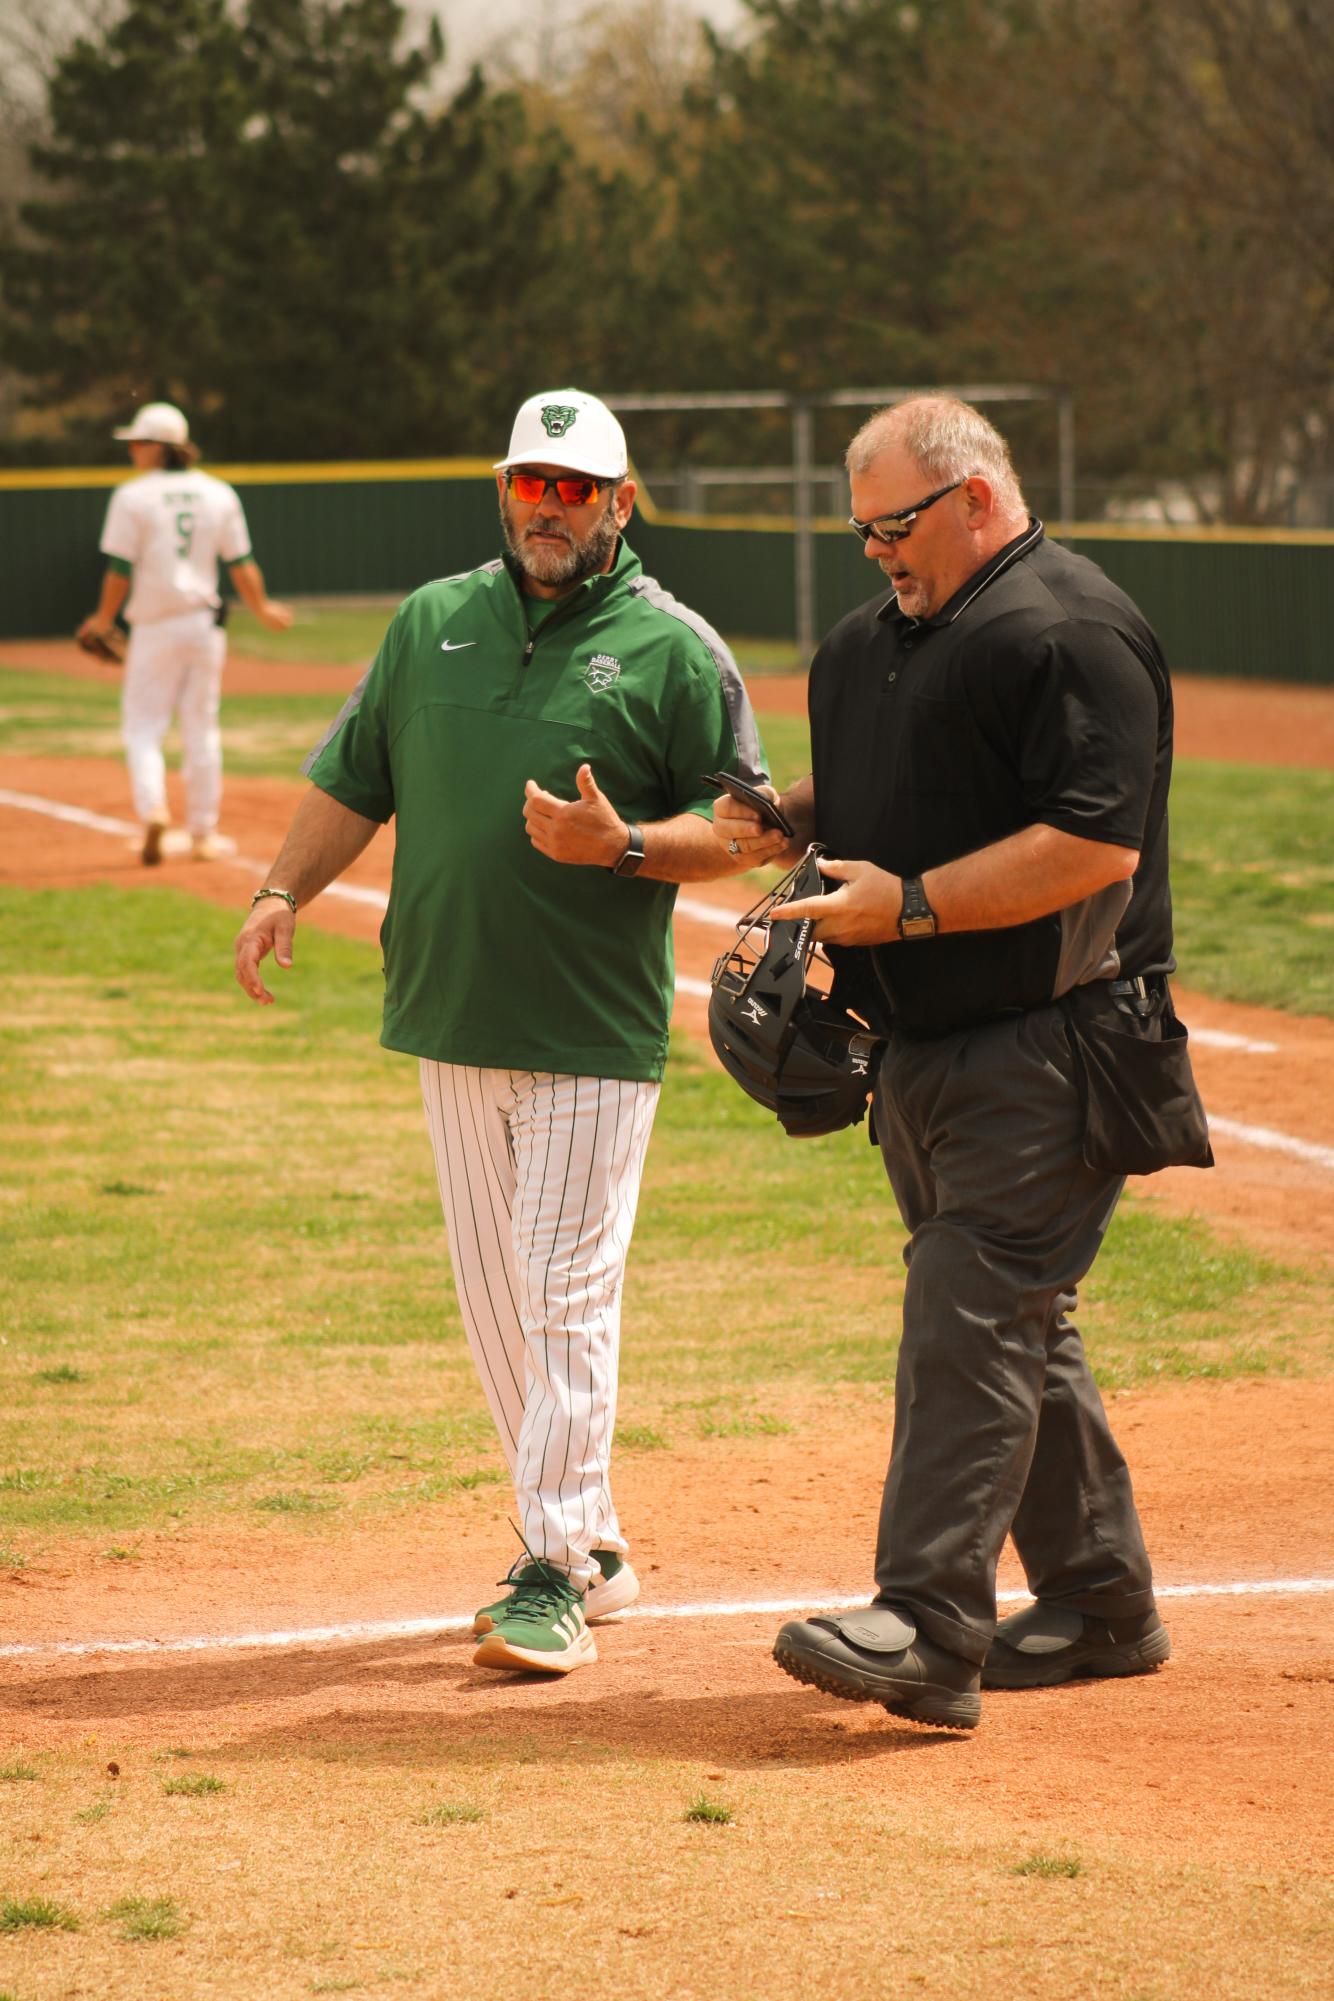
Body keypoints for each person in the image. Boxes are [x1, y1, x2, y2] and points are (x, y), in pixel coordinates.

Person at [233, 387, 769, 1678]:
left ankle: (548, 1572)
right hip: (449, 1010)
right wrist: (278, 888)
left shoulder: (674, 648)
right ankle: (591, 1543)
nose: (548, 505)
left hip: (590, 1025)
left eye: (575, 487)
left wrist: (627, 845)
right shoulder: (432, 622)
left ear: (621, 502)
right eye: (530, 482)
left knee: (566, 1297)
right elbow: (352, 777)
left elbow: (754, 825)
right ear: (503, 491)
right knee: (499, 1309)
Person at [713, 394, 1210, 1731]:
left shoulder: (1067, 629)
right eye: (860, 525)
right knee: (1014, 1319)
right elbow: (894, 784)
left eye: (894, 523)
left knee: (970, 1303)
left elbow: (1091, 846)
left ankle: (928, 1621)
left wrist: (912, 904)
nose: (876, 549)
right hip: (924, 1050)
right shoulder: (878, 642)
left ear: (975, 497)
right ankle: (1101, 1600)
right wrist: (776, 821)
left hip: (1059, 1040)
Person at [79, 401, 292, 864]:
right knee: (201, 729)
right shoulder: (218, 493)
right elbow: (240, 563)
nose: (132, 450)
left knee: (143, 727)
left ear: (158, 447)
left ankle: (154, 808)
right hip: (203, 626)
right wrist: (262, 608)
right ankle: (203, 834)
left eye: (137, 442)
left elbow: (119, 569)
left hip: (155, 626)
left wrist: (102, 618)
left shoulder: (133, 496)